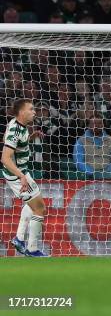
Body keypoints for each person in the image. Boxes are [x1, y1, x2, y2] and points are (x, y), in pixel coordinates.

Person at [3, 99, 48, 257]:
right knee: (39, 207)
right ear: (22, 112)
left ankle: (19, 239)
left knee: (33, 204)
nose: (34, 112)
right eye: (31, 109)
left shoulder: (19, 125)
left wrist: (31, 137)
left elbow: (16, 145)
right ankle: (32, 249)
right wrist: (21, 176)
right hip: (17, 175)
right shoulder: (16, 129)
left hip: (22, 171)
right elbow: (5, 158)